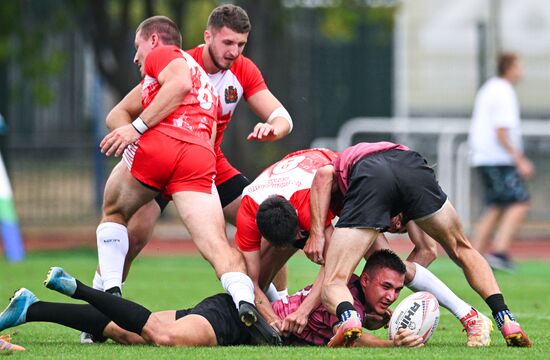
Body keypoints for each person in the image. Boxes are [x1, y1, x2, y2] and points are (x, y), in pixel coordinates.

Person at [91, 15, 280, 345]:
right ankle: (246, 300)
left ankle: (107, 300)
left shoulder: (165, 55)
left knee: (113, 212)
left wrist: (136, 131)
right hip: (198, 158)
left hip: (162, 148)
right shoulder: (202, 76)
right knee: (218, 245)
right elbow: (124, 114)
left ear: (153, 41)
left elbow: (175, 86)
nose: (137, 58)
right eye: (228, 43)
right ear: (208, 37)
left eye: (137, 47)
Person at [238, 148, 492, 347]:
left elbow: (335, 267)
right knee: (257, 277)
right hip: (313, 182)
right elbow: (252, 282)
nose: (301, 239)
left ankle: (469, 315)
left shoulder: (307, 206)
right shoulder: (248, 217)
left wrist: (305, 311)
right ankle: (286, 310)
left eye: (398, 224)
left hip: (342, 184)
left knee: (392, 264)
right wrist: (272, 324)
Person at [307, 141, 532, 347]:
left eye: (400, 227)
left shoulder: (382, 198)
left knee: (334, 281)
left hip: (372, 173)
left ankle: (350, 318)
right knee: (462, 248)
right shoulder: (396, 198)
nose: (393, 227)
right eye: (396, 227)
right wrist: (379, 299)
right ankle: (505, 318)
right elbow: (324, 174)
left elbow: (427, 251)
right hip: (410, 166)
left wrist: (316, 233)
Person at [0, 250, 425, 348]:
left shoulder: (362, 301)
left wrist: (391, 322)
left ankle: (31, 308)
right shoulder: (343, 294)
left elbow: (359, 327)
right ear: (364, 279)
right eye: (385, 286)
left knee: (124, 333)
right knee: (161, 336)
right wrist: (394, 343)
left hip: (231, 312)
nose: (391, 295)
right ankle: (77, 286)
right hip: (236, 322)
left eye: (396, 291)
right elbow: (345, 339)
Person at [468, 52, 534, 271]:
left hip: (485, 156)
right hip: (497, 158)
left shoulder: (491, 87)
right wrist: (519, 159)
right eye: (520, 65)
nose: (522, 70)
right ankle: (499, 250)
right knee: (520, 201)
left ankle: (472, 255)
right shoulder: (503, 91)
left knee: (496, 204)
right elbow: (501, 130)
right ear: (510, 67)